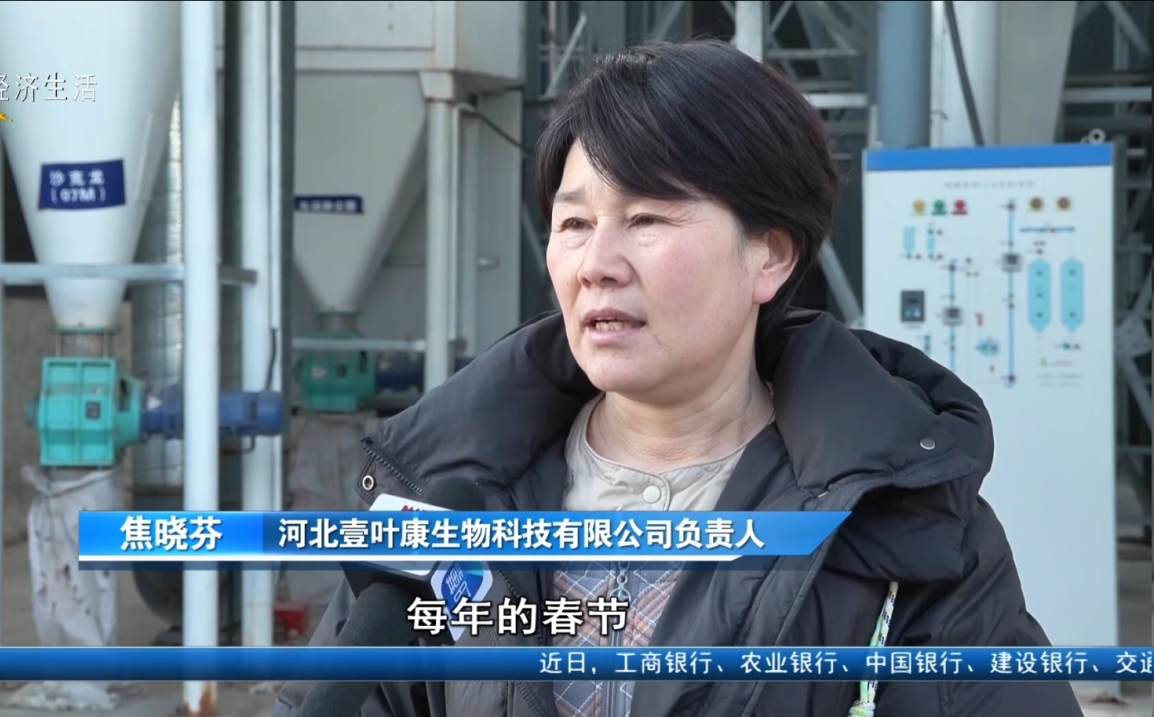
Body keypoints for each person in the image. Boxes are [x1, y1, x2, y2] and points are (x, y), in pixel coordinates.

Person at [276, 39, 1082, 717]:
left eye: (647, 218)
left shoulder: (904, 525)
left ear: (770, 254)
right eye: (574, 222)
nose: (596, 263)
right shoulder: (451, 493)